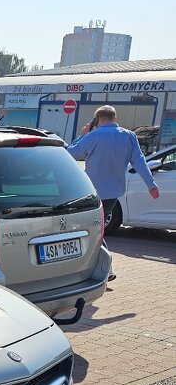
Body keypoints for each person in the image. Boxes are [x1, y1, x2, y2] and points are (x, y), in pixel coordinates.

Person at [68, 106, 159, 266]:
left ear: (97, 120)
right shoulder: (129, 136)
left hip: (92, 193)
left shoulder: (92, 136)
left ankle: (104, 265)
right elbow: (139, 161)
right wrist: (150, 184)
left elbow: (71, 154)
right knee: (98, 230)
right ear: (114, 118)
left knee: (93, 232)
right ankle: (101, 265)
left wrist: (82, 135)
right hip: (113, 194)